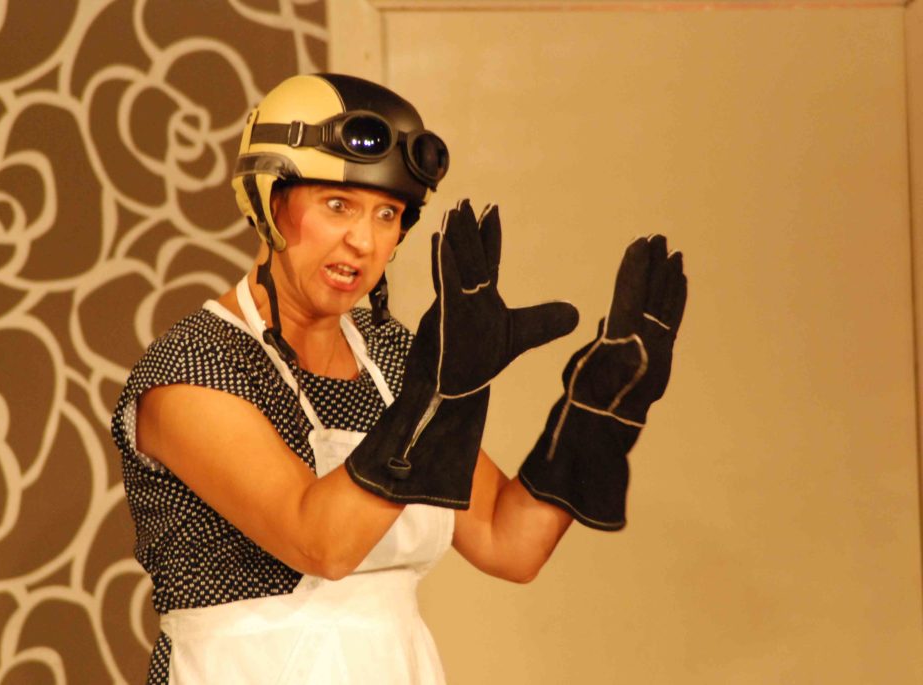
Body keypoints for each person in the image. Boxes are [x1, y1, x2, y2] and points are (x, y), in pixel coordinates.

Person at [111, 73, 686, 684]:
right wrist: (434, 395)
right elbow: (321, 543)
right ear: (267, 200)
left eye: (387, 214)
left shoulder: (389, 354)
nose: (363, 240)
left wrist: (593, 415)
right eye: (338, 205)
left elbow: (507, 543)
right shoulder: (193, 367)